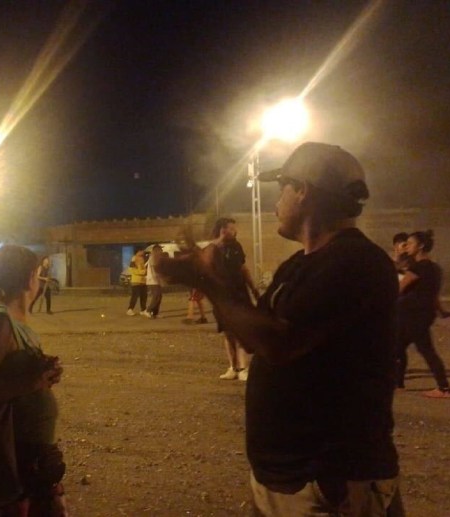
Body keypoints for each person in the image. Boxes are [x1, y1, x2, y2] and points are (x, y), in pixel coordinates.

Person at [158, 142, 403, 516]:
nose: (276, 201)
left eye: (281, 188)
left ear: (302, 190)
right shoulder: (299, 265)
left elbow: (280, 342)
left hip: (329, 481)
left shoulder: (356, 262)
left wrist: (205, 281)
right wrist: (209, 277)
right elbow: (255, 336)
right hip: (287, 480)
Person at [0, 245, 67, 516]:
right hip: (12, 461)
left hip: (32, 459)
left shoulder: (16, 322)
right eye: (39, 274)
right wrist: (33, 382)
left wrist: (42, 374)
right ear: (30, 278)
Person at [395, 230, 450, 398]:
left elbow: (399, 288)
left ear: (420, 246)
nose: (407, 246)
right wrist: (441, 311)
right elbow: (433, 294)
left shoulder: (418, 267)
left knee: (426, 350)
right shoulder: (434, 268)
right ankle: (398, 384)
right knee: (396, 347)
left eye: (410, 243)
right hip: (422, 314)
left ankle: (444, 389)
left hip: (413, 315)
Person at [207, 217, 259, 381]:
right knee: (228, 332)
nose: (234, 231)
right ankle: (233, 367)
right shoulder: (212, 248)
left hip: (239, 294)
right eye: (230, 228)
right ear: (222, 230)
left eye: (233, 228)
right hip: (222, 297)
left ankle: (244, 368)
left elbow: (243, 268)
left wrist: (254, 289)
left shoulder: (236, 246)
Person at [142, 245, 164, 318]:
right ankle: (148, 310)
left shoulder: (156, 258)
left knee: (159, 296)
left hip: (156, 280)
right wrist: (158, 278)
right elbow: (155, 269)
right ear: (156, 250)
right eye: (160, 250)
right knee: (156, 296)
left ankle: (155, 313)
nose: (161, 251)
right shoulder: (152, 258)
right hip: (153, 280)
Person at [126, 249, 148, 316]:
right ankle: (130, 309)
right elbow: (132, 270)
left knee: (144, 296)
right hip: (136, 281)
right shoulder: (134, 259)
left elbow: (143, 268)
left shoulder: (142, 258)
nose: (143, 252)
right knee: (134, 296)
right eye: (142, 251)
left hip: (143, 281)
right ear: (138, 251)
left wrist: (144, 271)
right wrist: (143, 272)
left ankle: (143, 310)